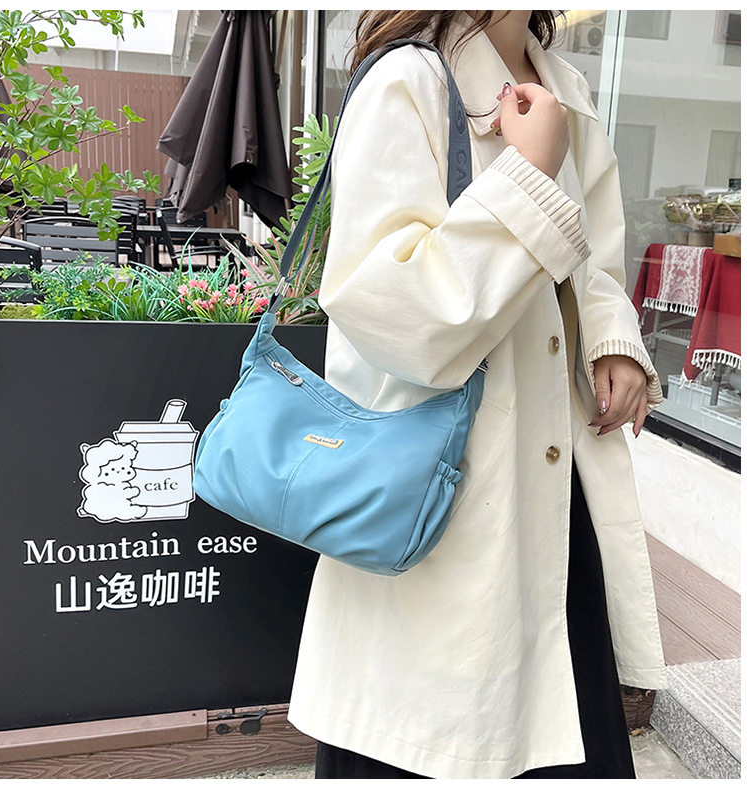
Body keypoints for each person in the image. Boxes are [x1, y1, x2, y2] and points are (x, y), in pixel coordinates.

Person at [287, 10, 667, 780]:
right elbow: (390, 310)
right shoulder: (409, 80)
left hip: (556, 482)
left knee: (557, 721)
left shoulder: (566, 88)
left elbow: (593, 258)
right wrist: (527, 178)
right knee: (431, 735)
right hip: (441, 488)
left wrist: (613, 337)